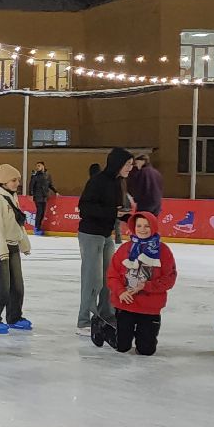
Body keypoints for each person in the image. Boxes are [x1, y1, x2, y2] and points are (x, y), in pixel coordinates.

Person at [76, 148, 132, 339]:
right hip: (90, 234)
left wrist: (131, 219)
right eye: (128, 164)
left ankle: (106, 314)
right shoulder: (97, 181)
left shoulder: (119, 182)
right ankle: (84, 321)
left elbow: (113, 209)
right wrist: (113, 213)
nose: (131, 168)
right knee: (93, 279)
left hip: (106, 234)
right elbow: (85, 207)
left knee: (109, 277)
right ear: (118, 164)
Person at [103, 212, 176, 355]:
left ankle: (143, 336)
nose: (142, 229)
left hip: (150, 306)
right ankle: (104, 328)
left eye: (147, 226)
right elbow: (112, 275)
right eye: (139, 226)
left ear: (153, 227)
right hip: (126, 303)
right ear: (133, 227)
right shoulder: (125, 249)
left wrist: (147, 286)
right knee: (121, 347)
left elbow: (169, 278)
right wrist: (121, 292)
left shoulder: (163, 251)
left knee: (146, 351)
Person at [0, 164, 31, 333]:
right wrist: (1, 251)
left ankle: (14, 317)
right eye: (14, 180)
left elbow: (17, 224)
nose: (17, 183)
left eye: (18, 180)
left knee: (17, 287)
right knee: (1, 286)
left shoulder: (11, 197)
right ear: (3, 181)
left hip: (13, 245)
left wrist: (24, 244)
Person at [125, 153, 163, 219]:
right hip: (157, 204)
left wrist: (135, 199)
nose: (136, 165)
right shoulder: (157, 173)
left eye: (137, 162)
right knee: (151, 224)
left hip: (145, 203)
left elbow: (139, 188)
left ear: (143, 161)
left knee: (141, 222)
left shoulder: (142, 172)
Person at [28, 162, 53, 236]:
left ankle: (39, 227)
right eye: (37, 166)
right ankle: (36, 228)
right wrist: (31, 194)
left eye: (39, 165)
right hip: (37, 196)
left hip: (44, 196)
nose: (37, 167)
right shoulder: (35, 175)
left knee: (42, 212)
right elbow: (31, 185)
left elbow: (50, 185)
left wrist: (56, 192)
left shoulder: (47, 175)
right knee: (39, 211)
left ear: (43, 166)